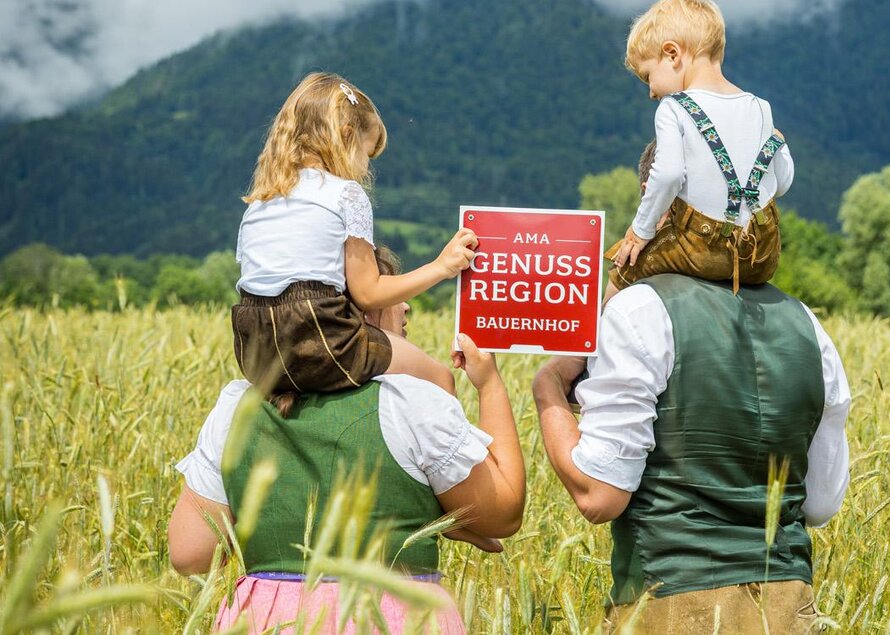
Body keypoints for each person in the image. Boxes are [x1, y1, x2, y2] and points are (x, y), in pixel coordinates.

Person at [169, 247, 525, 633]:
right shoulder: (408, 402)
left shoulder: (235, 409)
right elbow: (502, 513)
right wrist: (489, 386)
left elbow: (190, 554)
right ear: (348, 316)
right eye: (389, 290)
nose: (406, 306)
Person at [534, 274, 850, 633]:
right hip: (786, 608)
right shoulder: (806, 321)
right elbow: (821, 504)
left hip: (671, 606)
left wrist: (549, 389)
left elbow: (599, 495)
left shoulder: (639, 309)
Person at [233, 71, 478, 416]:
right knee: (439, 379)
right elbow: (368, 293)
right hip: (321, 340)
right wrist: (441, 267)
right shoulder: (345, 194)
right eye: (366, 153)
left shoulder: (262, 200)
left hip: (254, 351)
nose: (365, 167)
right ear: (346, 137)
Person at [606, 0, 793, 298]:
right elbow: (782, 183)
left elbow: (667, 176)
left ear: (672, 54)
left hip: (703, 251)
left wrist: (640, 231)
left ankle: (603, 338)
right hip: (762, 256)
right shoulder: (761, 108)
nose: (651, 92)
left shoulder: (674, 107)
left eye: (648, 76)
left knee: (624, 265)